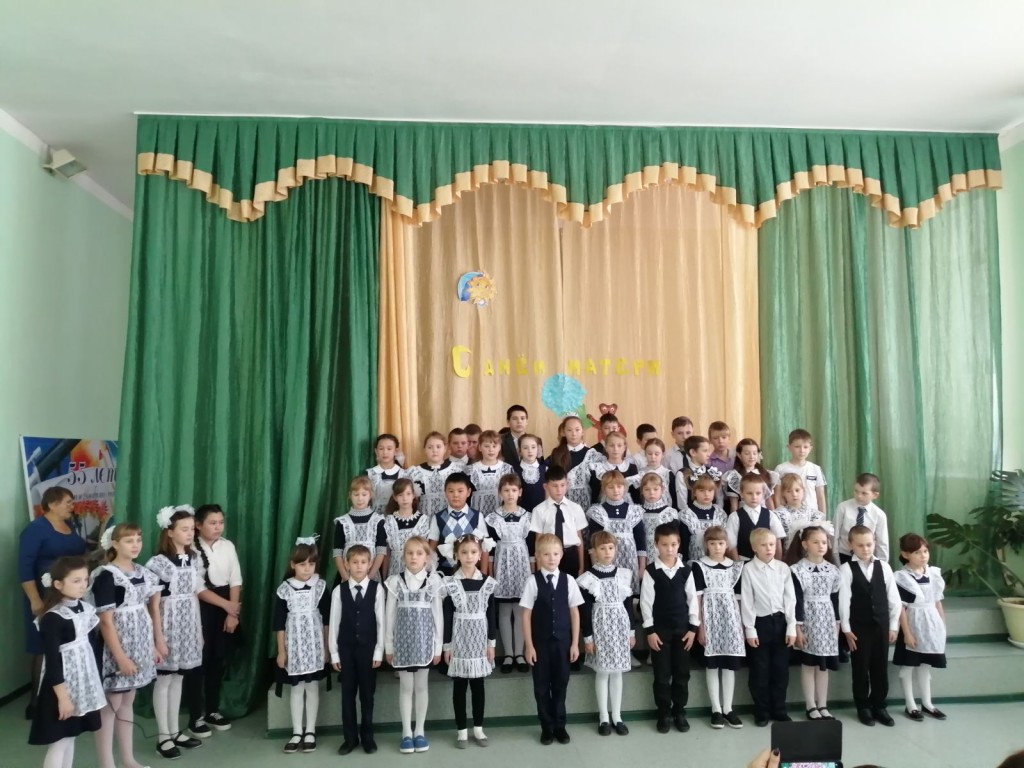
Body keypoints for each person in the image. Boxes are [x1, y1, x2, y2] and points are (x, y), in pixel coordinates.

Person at [91, 524, 162, 768]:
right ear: (115, 544)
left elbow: (144, 612)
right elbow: (106, 622)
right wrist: (120, 657)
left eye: (138, 540)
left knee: (127, 702)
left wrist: (151, 646)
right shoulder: (106, 575)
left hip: (138, 646)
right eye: (129, 541)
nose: (135, 545)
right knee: (111, 706)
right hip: (116, 650)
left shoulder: (141, 572)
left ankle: (128, 759)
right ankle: (106, 763)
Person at [28, 556, 105, 768]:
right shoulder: (53, 617)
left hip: (79, 684)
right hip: (59, 688)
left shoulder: (85, 609)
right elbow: (52, 662)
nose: (83, 585)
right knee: (59, 742)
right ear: (58, 584)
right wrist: (63, 698)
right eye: (76, 581)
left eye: (85, 579)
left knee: (71, 736)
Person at [19, 486, 88, 719]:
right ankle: (36, 702)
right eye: (68, 502)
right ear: (52, 504)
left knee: (66, 643)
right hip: (44, 595)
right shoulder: (35, 529)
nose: (72, 506)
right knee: (42, 646)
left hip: (70, 595)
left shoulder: (70, 526)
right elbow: (24, 568)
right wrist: (35, 600)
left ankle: (66, 696)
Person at [146, 505, 205, 759]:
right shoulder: (158, 563)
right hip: (167, 623)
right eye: (184, 529)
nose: (190, 533)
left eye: (192, 529)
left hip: (187, 623)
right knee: (164, 679)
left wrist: (198, 630)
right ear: (169, 532)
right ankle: (163, 737)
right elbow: (153, 604)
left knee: (179, 677)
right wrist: (158, 637)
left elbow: (194, 594)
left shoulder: (194, 558)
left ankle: (174, 731)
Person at [520, 534, 583, 746]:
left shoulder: (569, 581)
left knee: (560, 684)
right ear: (537, 556)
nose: (551, 558)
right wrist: (529, 646)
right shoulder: (532, 581)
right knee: (541, 687)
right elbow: (526, 615)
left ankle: (560, 726)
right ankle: (546, 727)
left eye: (555, 554)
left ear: (562, 555)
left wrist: (575, 644)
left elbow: (574, 613)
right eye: (546, 554)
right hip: (540, 644)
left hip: (563, 643)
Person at [384, 536, 444, 754]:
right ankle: (406, 732)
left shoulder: (433, 582)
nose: (414, 557)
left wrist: (438, 647)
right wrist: (389, 646)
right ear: (403, 556)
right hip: (403, 644)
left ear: (426, 557)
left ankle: (420, 730)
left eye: (419, 553)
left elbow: (438, 616)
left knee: (421, 687)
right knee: (406, 687)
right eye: (409, 553)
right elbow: (389, 616)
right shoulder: (395, 581)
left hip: (424, 643)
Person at [188, 503, 242, 738]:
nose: (218, 527)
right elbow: (197, 587)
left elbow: (235, 580)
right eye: (212, 523)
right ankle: (195, 716)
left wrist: (232, 613)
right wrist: (226, 605)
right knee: (197, 662)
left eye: (221, 522)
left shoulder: (227, 546)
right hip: (201, 607)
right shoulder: (190, 548)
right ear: (198, 525)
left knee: (217, 661)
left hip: (226, 605)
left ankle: (212, 709)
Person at [839, 525, 901, 727]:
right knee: (860, 666)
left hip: (881, 625)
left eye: (869, 544)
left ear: (874, 543)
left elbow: (894, 599)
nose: (865, 549)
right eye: (860, 545)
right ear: (851, 545)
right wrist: (846, 629)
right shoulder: (846, 569)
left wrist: (893, 626)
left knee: (880, 666)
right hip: (858, 627)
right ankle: (863, 706)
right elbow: (844, 601)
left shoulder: (884, 567)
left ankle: (879, 705)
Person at [639, 523, 698, 734]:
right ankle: (663, 713)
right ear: (656, 545)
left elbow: (693, 600)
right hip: (660, 633)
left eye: (673, 544)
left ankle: (679, 712)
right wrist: (650, 631)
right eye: (665, 545)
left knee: (682, 674)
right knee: (662, 675)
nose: (669, 549)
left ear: (679, 544)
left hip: (683, 632)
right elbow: (645, 603)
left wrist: (693, 628)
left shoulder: (686, 571)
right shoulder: (651, 571)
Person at [274, 536, 330, 755]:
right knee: (297, 689)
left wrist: (326, 648)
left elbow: (326, 621)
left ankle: (310, 731)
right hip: (294, 645)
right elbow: (279, 624)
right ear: (293, 565)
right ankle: (297, 731)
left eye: (311, 564)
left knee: (312, 687)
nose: (307, 569)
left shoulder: (320, 586)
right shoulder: (285, 589)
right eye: (302, 564)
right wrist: (281, 651)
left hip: (315, 644)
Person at [442, 535, 498, 748]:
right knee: (459, 687)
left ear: (480, 554)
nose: (469, 556)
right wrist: (447, 646)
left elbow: (491, 616)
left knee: (478, 686)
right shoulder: (450, 583)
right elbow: (447, 616)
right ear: (456, 555)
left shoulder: (487, 583)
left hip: (479, 641)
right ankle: (461, 731)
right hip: (458, 640)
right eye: (464, 552)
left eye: (473, 552)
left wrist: (491, 644)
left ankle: (478, 729)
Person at [329, 544, 385, 756]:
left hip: (368, 652)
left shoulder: (377, 589)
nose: (359, 566)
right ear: (346, 564)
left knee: (367, 696)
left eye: (363, 562)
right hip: (346, 651)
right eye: (355, 562)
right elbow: (334, 624)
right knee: (347, 695)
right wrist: (334, 653)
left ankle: (368, 738)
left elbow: (381, 623)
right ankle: (350, 738)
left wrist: (379, 651)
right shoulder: (339, 591)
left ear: (370, 564)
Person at [579, 531, 635, 735]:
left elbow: (628, 605)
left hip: (620, 626)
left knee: (617, 672)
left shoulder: (624, 575)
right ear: (594, 551)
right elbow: (585, 612)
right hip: (600, 627)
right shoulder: (587, 579)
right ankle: (604, 717)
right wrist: (588, 638)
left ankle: (617, 716)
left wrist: (631, 632)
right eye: (602, 548)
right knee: (603, 672)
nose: (607, 552)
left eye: (611, 548)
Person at [741, 528, 797, 727]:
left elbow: (790, 599)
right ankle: (761, 711)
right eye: (763, 545)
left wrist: (791, 627)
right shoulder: (748, 569)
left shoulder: (783, 568)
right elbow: (747, 600)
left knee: (781, 670)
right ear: (754, 548)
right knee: (760, 670)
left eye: (772, 544)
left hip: (781, 623)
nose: (769, 548)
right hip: (760, 624)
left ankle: (779, 709)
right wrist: (750, 629)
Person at [692, 526, 745, 729]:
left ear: (727, 545)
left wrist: (741, 625)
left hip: (730, 619)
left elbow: (739, 598)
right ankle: (716, 709)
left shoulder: (735, 567)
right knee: (713, 664)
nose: (717, 547)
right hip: (710, 618)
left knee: (729, 664)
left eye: (721, 543)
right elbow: (697, 598)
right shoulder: (699, 566)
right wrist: (701, 626)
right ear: (706, 545)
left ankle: (728, 708)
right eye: (712, 543)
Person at [787, 525, 841, 721]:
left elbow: (835, 598)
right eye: (816, 542)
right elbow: (796, 599)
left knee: (823, 665)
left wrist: (837, 624)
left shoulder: (833, 570)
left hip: (827, 619)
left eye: (824, 542)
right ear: (805, 544)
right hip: (808, 619)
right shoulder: (798, 570)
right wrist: (798, 627)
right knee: (809, 664)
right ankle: (810, 705)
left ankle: (823, 704)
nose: (821, 546)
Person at [893, 532, 947, 722]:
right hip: (913, 626)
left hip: (931, 626)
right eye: (917, 552)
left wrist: (942, 627)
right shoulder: (901, 578)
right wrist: (907, 633)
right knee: (908, 667)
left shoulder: (934, 574)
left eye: (925, 551)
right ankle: (910, 705)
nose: (923, 555)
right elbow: (901, 608)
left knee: (925, 666)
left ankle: (927, 703)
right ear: (905, 554)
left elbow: (937, 602)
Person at [485, 474, 534, 673]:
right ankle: (508, 654)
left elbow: (532, 546)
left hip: (521, 563)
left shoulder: (527, 516)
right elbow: (489, 549)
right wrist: (490, 571)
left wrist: (533, 571)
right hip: (502, 562)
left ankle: (520, 654)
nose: (510, 494)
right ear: (500, 493)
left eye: (514, 490)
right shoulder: (493, 517)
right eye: (506, 490)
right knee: (505, 610)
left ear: (520, 492)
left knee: (520, 609)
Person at [586, 471, 646, 594]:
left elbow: (640, 541)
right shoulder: (598, 512)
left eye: (619, 486)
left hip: (630, 561)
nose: (616, 490)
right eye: (610, 487)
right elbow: (593, 544)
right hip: (606, 562)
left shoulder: (634, 511)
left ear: (624, 487)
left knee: (629, 595)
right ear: (604, 489)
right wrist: (595, 568)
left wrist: (642, 567)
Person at [530, 466, 588, 577]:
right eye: (554, 486)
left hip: (571, 556)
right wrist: (539, 569)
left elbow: (579, 539)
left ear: (567, 484)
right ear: (546, 486)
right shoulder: (539, 510)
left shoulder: (575, 508)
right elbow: (538, 541)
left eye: (562, 485)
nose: (559, 490)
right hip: (549, 556)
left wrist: (581, 567)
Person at [429, 472, 490, 576]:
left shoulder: (477, 516)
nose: (455, 495)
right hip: (444, 574)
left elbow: (484, 547)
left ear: (468, 492)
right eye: (451, 491)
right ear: (445, 493)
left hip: (471, 573)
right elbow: (431, 549)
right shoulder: (437, 518)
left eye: (460, 491)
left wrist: (483, 574)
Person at [378, 478, 432, 579]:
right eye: (400, 495)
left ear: (413, 495)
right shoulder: (389, 521)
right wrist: (384, 577)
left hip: (416, 572)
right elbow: (387, 553)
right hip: (395, 571)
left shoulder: (423, 520)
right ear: (395, 497)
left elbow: (425, 551)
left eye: (408, 494)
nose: (405, 498)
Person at [334, 477, 385, 583]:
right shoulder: (342, 522)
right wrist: (346, 578)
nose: (360, 499)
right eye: (356, 495)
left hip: (371, 577)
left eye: (364, 494)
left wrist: (370, 577)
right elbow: (337, 553)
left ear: (370, 495)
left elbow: (381, 551)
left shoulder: (378, 520)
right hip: (347, 577)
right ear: (350, 495)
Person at [725, 475, 786, 562]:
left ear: (763, 493)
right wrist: (738, 564)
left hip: (767, 563)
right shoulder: (734, 517)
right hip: (744, 562)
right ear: (741, 493)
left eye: (758, 493)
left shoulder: (771, 515)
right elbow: (732, 546)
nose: (754, 497)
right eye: (749, 493)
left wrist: (776, 563)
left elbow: (777, 541)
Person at [834, 473, 890, 564]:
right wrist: (836, 559)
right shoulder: (843, 508)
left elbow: (882, 543)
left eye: (864, 493)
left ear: (875, 495)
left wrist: (882, 566)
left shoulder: (879, 515)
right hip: (844, 555)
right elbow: (835, 535)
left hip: (866, 558)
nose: (859, 496)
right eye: (856, 491)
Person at [409, 432, 464, 516]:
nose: (434, 450)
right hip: (425, 517)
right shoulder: (416, 472)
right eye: (430, 447)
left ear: (445, 448)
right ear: (425, 449)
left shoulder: (456, 469)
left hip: (449, 517)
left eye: (438, 447)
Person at [773, 428, 827, 513]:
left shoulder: (816, 469)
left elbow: (820, 496)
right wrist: (780, 515)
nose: (802, 450)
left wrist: (822, 517)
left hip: (812, 515)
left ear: (810, 448)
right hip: (789, 515)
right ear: (789, 447)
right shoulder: (781, 469)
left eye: (805, 447)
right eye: (797, 447)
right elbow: (777, 496)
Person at [547, 415, 594, 510]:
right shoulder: (557, 453)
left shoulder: (591, 454)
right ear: (563, 432)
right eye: (569, 430)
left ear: (582, 431)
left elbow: (595, 484)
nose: (573, 434)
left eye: (577, 430)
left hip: (586, 503)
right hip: (562, 503)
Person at [678, 475, 727, 564]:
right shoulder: (686, 514)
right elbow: (684, 544)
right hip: (695, 563)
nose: (706, 494)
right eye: (702, 490)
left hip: (718, 563)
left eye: (710, 490)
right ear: (694, 492)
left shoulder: (720, 513)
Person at [723, 438, 779, 513]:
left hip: (763, 514)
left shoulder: (765, 473)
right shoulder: (734, 476)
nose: (751, 457)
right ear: (739, 455)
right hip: (744, 514)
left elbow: (768, 500)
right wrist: (735, 518)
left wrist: (773, 515)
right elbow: (734, 505)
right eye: (747, 453)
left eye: (754, 453)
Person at [468, 430, 515, 517]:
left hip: (501, 515)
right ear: (480, 447)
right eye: (486, 446)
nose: (491, 450)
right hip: (477, 515)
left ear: (499, 447)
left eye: (494, 446)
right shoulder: (470, 470)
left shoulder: (507, 469)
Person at [636, 472, 680, 562]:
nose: (651, 493)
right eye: (647, 489)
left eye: (655, 489)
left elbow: (675, 539)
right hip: (642, 557)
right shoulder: (637, 512)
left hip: (664, 556)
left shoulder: (670, 513)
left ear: (662, 489)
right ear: (642, 491)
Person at [775, 473, 828, 548]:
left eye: (797, 490)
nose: (794, 494)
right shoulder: (779, 515)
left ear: (803, 490)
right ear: (783, 493)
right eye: (789, 491)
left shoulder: (814, 514)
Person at [588, 432, 639, 502]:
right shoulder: (598, 468)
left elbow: (635, 495)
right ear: (606, 447)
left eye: (619, 445)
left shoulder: (632, 468)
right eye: (611, 445)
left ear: (624, 448)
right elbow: (594, 494)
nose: (615, 449)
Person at [674, 435, 721, 509]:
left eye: (709, 451)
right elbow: (682, 503)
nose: (709, 454)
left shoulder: (713, 472)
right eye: (705, 451)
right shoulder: (683, 474)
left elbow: (719, 499)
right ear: (693, 452)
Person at [366, 434, 406, 515]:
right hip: (374, 518)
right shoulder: (369, 474)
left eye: (389, 449)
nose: (385, 452)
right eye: (381, 449)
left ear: (395, 451)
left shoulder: (404, 474)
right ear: (376, 451)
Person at [629, 438, 672, 506]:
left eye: (656, 454)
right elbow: (636, 496)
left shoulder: (668, 474)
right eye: (649, 454)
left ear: (663, 454)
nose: (653, 457)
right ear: (645, 454)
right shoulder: (639, 473)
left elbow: (673, 495)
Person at [515, 433, 547, 512]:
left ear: (538, 449)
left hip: (541, 513)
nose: (530, 451)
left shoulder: (545, 470)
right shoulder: (514, 471)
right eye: (525, 448)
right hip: (521, 514)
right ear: (519, 451)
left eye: (533, 447)